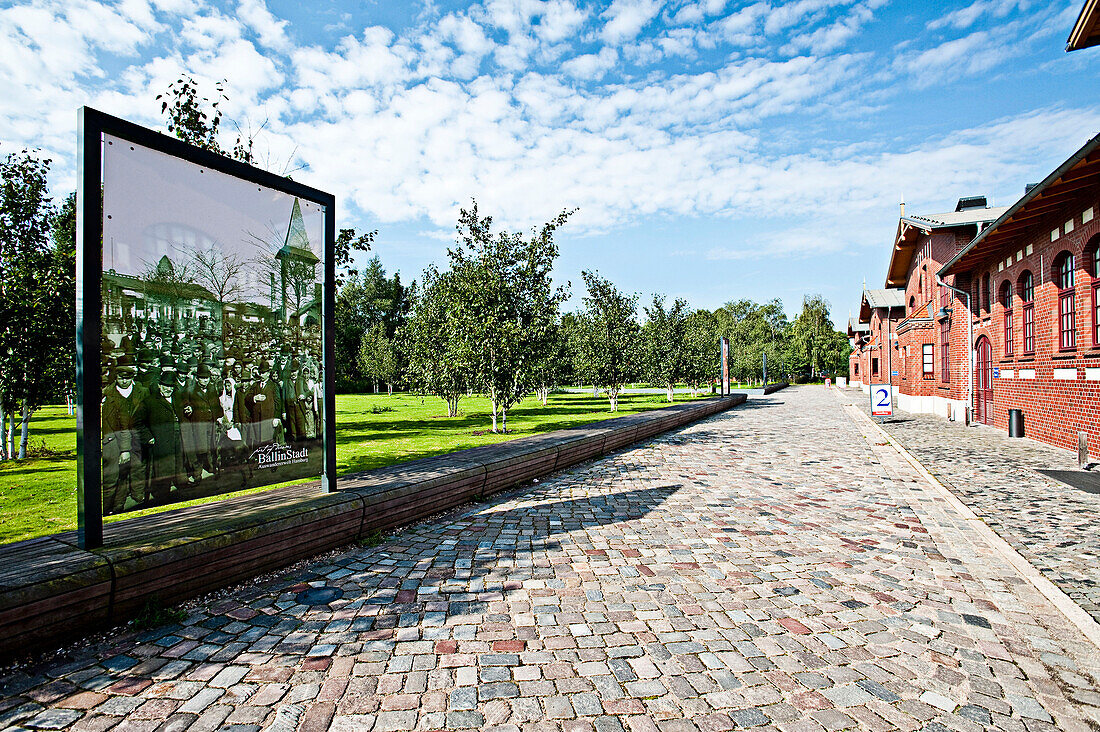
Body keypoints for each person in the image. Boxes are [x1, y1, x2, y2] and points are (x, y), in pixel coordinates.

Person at [101, 356, 150, 515]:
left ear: (132, 378)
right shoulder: (108, 395)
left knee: (137, 470)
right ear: (116, 377)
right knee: (113, 475)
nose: (124, 381)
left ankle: (137, 502)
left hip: (136, 437)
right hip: (113, 439)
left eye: (127, 378)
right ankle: (109, 508)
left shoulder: (142, 392)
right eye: (121, 378)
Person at [145, 370, 183, 503]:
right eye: (165, 386)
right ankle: (162, 499)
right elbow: (138, 423)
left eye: (171, 386)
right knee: (163, 473)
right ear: (160, 386)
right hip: (162, 442)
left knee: (177, 468)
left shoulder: (177, 397)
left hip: (177, 439)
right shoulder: (151, 401)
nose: (168, 389)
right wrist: (148, 437)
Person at [180, 363, 218, 483]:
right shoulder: (190, 390)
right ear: (197, 378)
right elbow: (186, 403)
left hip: (211, 422)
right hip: (199, 423)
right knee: (199, 448)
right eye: (202, 378)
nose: (205, 380)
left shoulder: (212, 388)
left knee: (211, 446)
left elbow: (216, 404)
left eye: (207, 378)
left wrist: (219, 416)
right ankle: (197, 472)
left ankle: (212, 467)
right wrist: (189, 407)